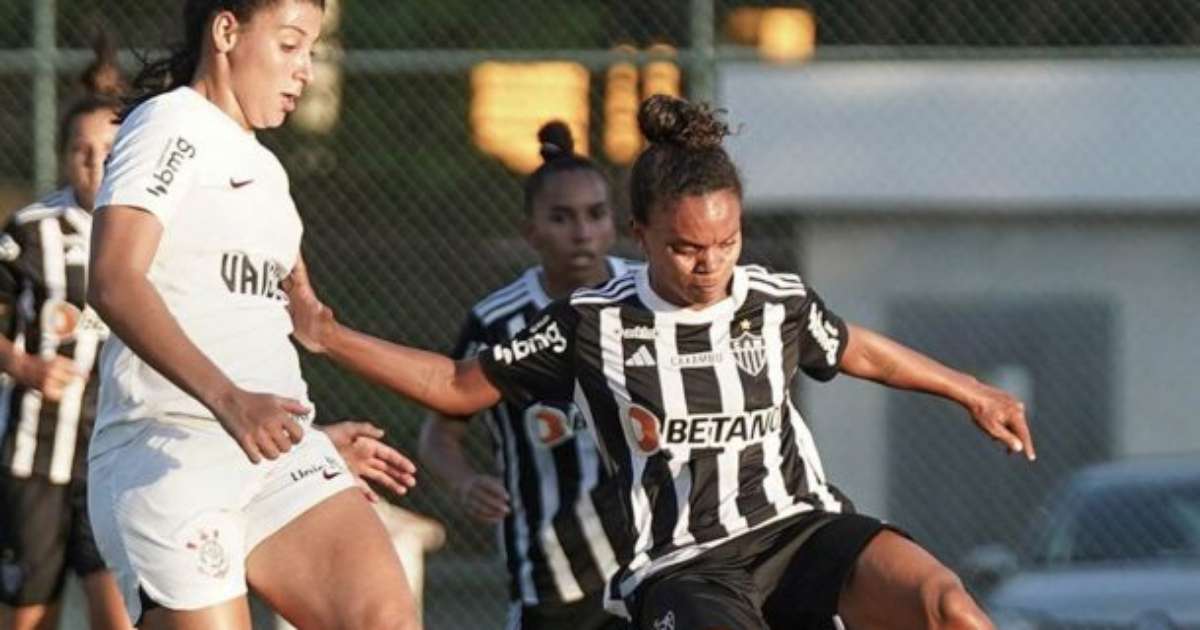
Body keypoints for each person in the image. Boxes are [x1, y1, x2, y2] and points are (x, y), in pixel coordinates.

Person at [284, 94, 1036, 630]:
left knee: (949, 608)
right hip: (684, 564)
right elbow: (454, 385)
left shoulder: (774, 300)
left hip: (799, 529)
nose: (710, 265)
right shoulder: (591, 322)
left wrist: (968, 390)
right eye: (685, 247)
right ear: (639, 233)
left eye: (727, 242)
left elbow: (854, 346)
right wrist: (329, 335)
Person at [84, 2, 417, 628]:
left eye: (311, 51)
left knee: (386, 619)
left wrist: (303, 433)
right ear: (226, 31)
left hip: (275, 454)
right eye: (289, 45)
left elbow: (272, 323)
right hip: (170, 451)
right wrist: (232, 402)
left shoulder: (267, 171)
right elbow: (113, 280)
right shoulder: (169, 124)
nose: (305, 71)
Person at [419, 121, 633, 630]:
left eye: (595, 215)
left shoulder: (646, 296)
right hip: (552, 573)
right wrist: (465, 483)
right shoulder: (498, 321)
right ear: (530, 230)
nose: (581, 233)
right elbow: (438, 435)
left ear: (614, 223)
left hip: (649, 560)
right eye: (562, 218)